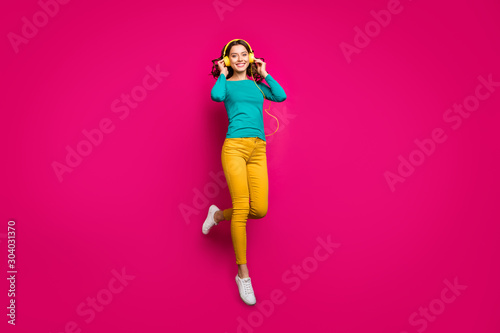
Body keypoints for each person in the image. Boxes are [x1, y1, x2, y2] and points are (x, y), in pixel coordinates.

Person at [202, 39, 287, 306]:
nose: (239, 59)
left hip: (258, 149)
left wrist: (264, 73)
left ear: (250, 57)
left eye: (243, 55)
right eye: (233, 56)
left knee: (259, 209)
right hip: (234, 148)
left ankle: (216, 215)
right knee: (241, 208)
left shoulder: (257, 85)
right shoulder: (225, 84)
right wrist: (223, 74)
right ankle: (243, 274)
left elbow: (281, 95)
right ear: (227, 60)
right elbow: (216, 96)